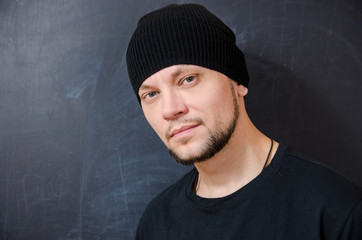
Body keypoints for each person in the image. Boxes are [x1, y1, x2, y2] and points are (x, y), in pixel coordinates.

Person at [126, 3, 362, 240]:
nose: (170, 109)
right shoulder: (155, 223)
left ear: (237, 81)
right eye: (151, 94)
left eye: (188, 79)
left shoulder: (335, 211)